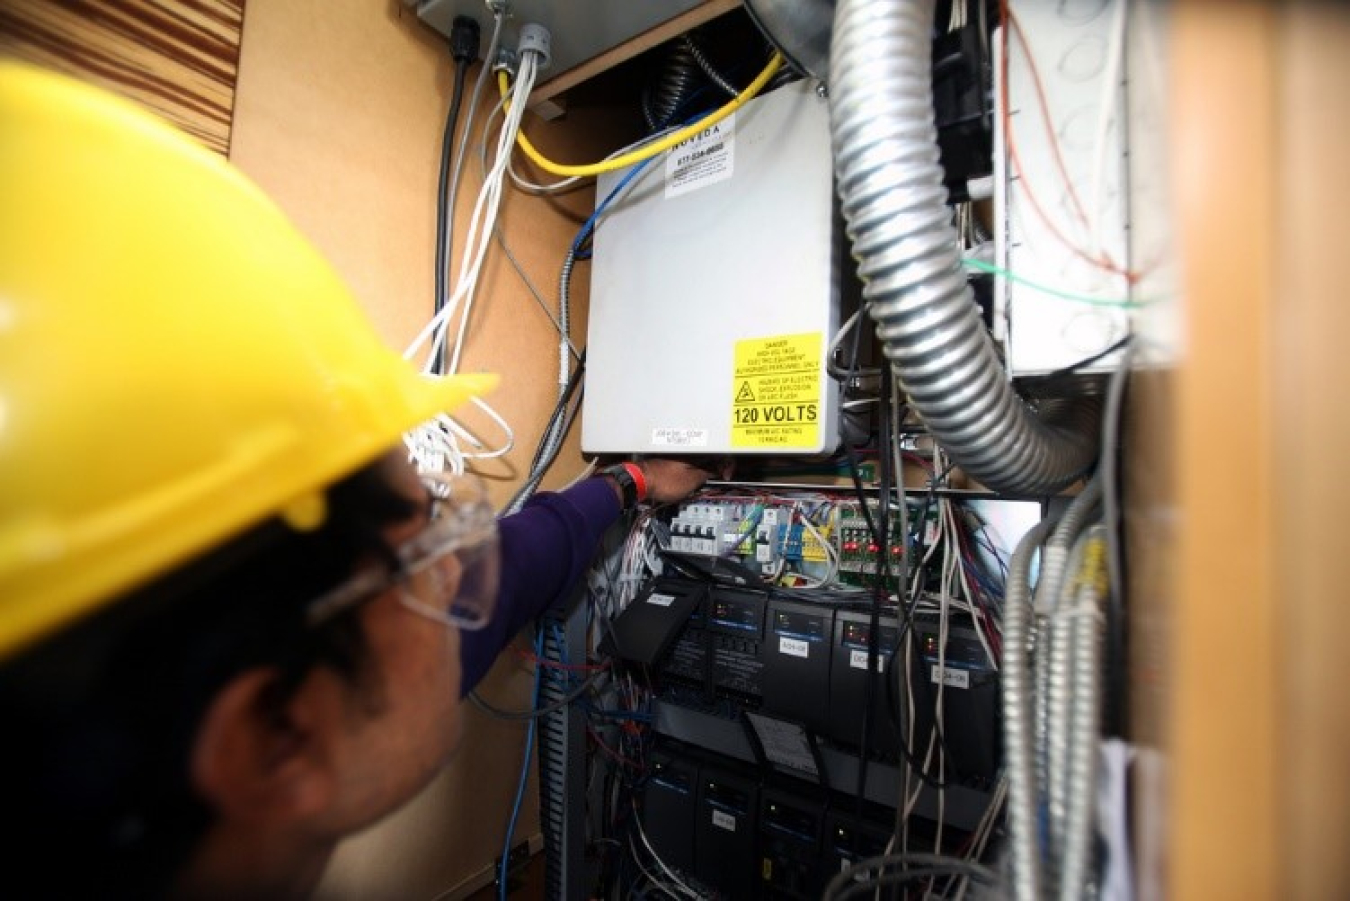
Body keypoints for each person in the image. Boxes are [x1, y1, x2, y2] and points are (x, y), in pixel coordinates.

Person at [0, 62, 710, 897]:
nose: (458, 568)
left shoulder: (287, 698)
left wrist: (628, 478)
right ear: (276, 737)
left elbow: (517, 561)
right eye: (429, 542)